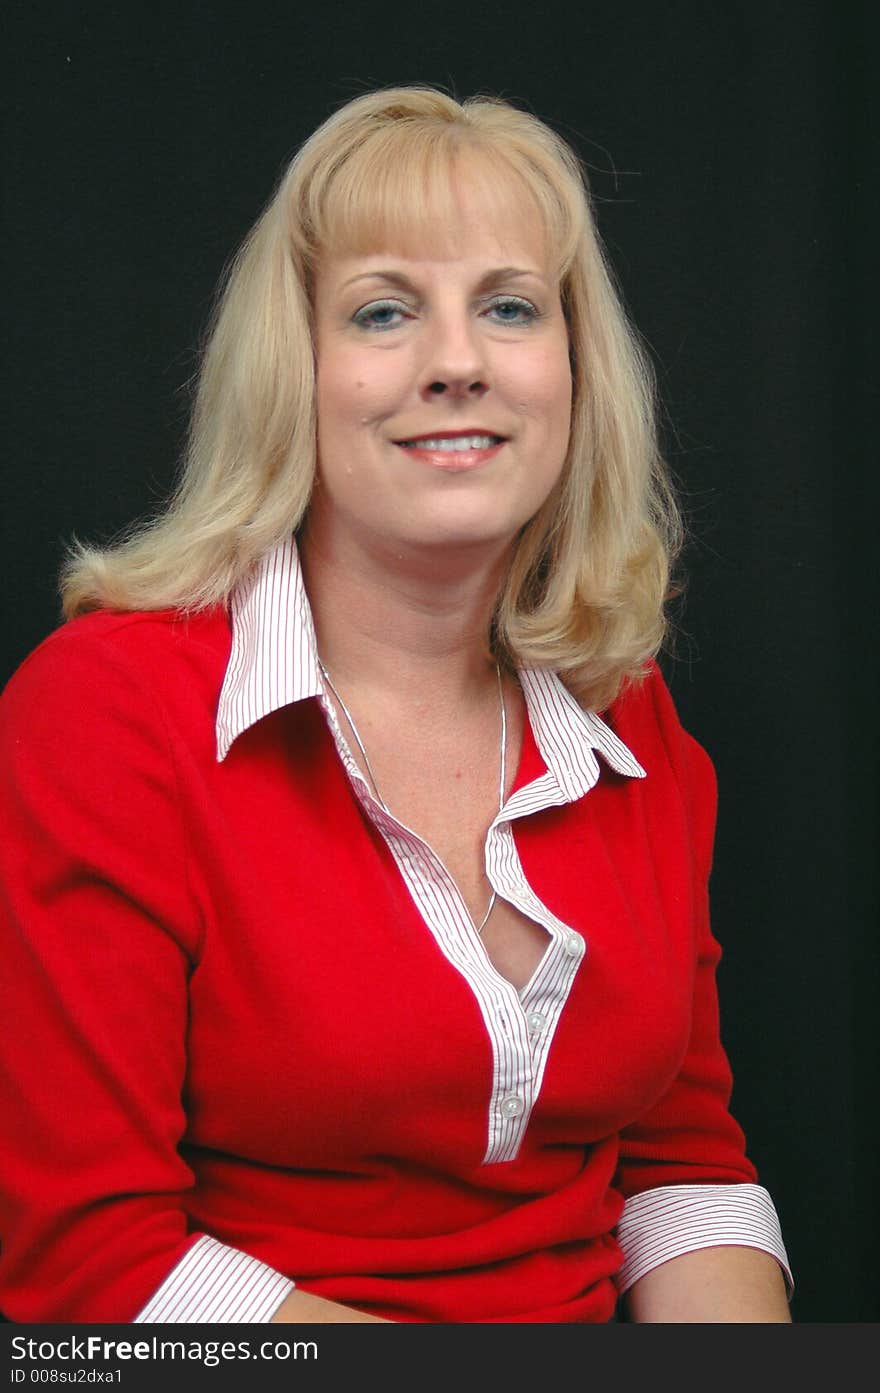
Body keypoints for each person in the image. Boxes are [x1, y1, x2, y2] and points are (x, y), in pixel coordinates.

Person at [0, 85, 793, 1324]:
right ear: (292, 373)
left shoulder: (625, 718)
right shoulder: (106, 713)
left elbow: (680, 1163)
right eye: (383, 312)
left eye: (510, 307)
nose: (458, 363)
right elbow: (87, 1266)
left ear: (574, 371)